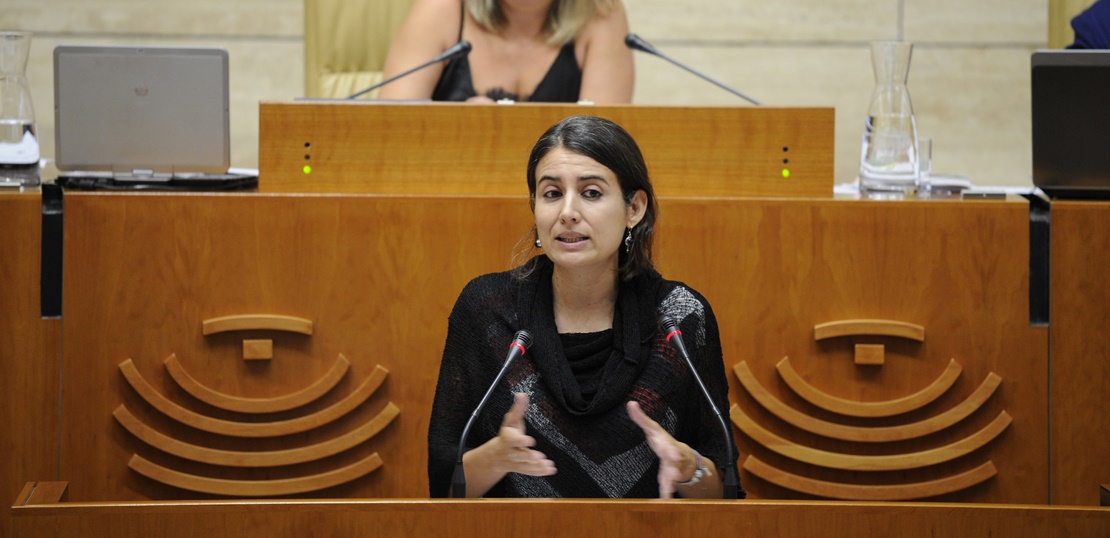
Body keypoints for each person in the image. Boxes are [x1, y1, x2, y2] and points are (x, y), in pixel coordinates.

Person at [427, 115, 741, 499]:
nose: (567, 212)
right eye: (552, 194)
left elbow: (725, 494)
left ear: (634, 208)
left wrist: (689, 469)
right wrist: (497, 457)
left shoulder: (678, 318)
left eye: (591, 193)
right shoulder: (488, 311)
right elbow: (444, 490)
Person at [379, 0, 633, 103]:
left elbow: (606, 148)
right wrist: (455, 129)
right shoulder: (443, 8)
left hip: (560, 207)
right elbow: (389, 129)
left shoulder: (601, 13)